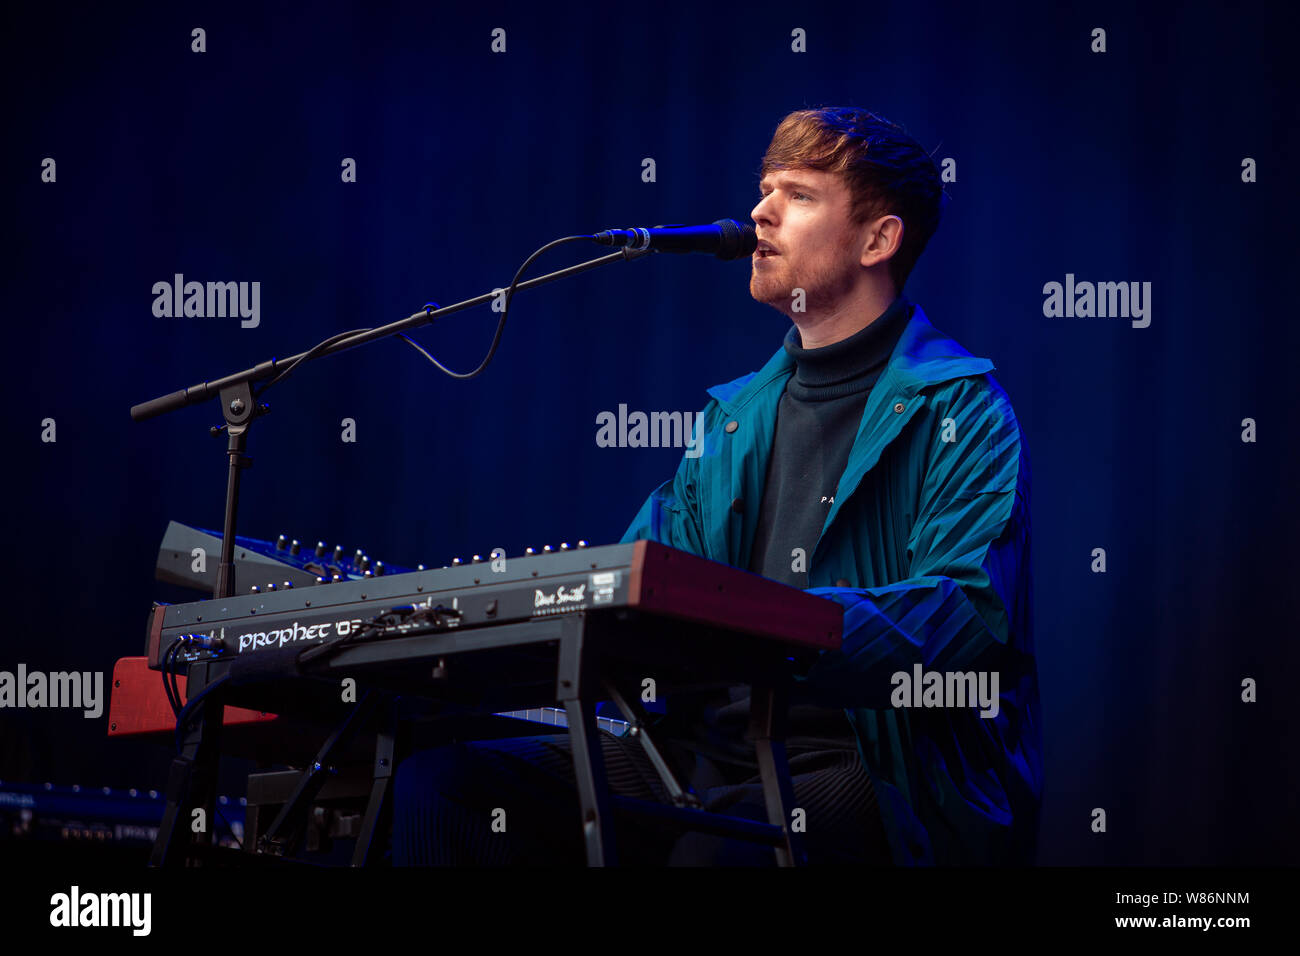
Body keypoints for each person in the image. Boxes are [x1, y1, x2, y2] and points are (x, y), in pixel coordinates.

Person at [391, 106, 1042, 866]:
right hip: (703, 753)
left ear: (879, 239)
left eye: (797, 195)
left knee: (714, 852)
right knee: (447, 784)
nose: (760, 211)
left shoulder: (962, 406)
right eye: (765, 188)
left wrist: (769, 625)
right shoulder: (733, 416)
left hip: (874, 763)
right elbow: (640, 578)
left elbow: (964, 612)